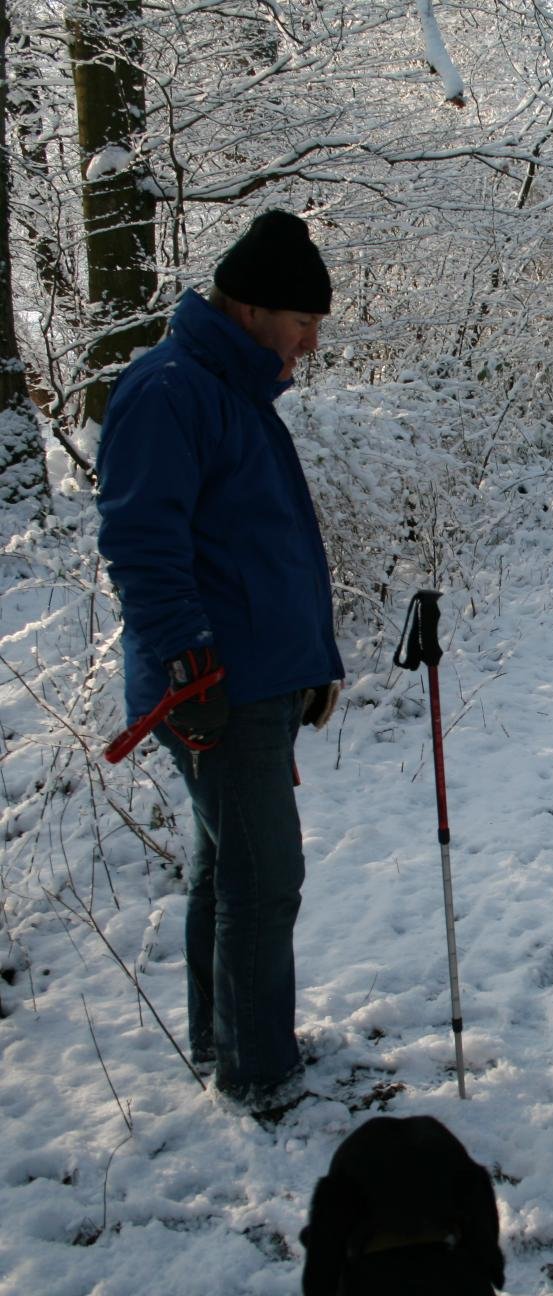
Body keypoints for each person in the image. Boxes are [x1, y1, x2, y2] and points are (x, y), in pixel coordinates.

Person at [96, 210, 345, 1109]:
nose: (311, 344)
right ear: (248, 310)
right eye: (301, 324)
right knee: (262, 879)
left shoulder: (232, 394)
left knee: (223, 867)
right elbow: (141, 543)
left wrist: (304, 664)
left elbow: (254, 549)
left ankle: (224, 1040)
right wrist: (186, 667)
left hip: (252, 682)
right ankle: (256, 1071)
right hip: (214, 691)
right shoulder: (170, 391)